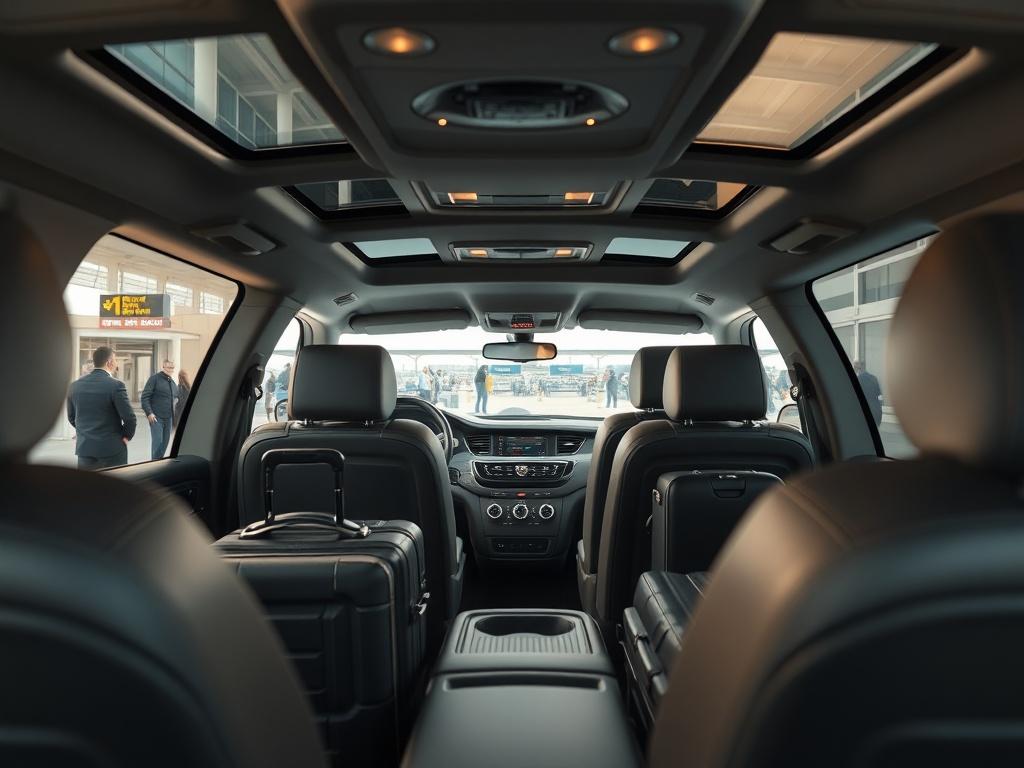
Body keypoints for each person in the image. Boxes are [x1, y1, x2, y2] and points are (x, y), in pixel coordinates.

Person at [66, 346, 136, 470]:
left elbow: (71, 417)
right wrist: (126, 436)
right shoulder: (116, 385)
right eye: (115, 360)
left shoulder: (74, 386)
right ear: (109, 362)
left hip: (85, 449)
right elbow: (130, 418)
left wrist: (84, 433)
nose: (116, 363)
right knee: (114, 481)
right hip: (112, 449)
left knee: (88, 482)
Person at [853, 360, 884, 426]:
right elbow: (879, 396)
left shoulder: (857, 380)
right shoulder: (874, 378)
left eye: (855, 367)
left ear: (858, 368)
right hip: (876, 410)